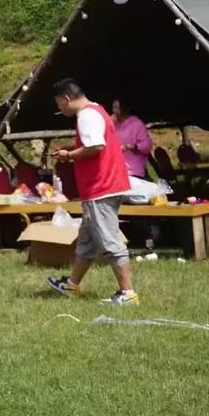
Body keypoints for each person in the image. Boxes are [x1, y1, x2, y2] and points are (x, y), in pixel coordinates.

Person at [47, 79, 139, 305]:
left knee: (109, 240)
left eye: (60, 104)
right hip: (101, 187)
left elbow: (96, 146)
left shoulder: (86, 116)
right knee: (87, 240)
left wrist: (69, 155)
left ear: (67, 98)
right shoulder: (96, 110)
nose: (60, 109)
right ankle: (72, 285)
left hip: (102, 187)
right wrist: (71, 151)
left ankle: (128, 293)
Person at [112, 99, 152, 179]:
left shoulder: (137, 124)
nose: (114, 111)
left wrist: (132, 146)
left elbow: (147, 146)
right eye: (113, 108)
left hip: (133, 172)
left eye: (117, 108)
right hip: (117, 171)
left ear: (126, 109)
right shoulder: (113, 124)